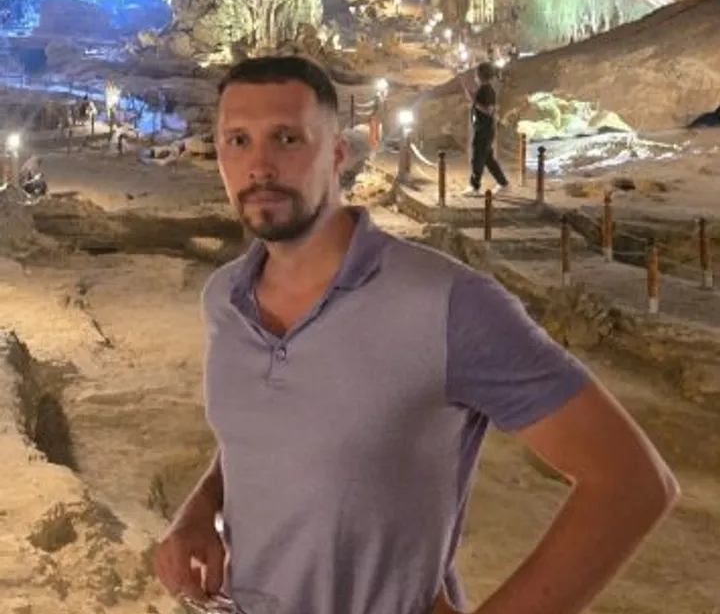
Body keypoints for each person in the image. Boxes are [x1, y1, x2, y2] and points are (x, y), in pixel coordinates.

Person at [154, 56, 679, 614]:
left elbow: (632, 482)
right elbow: (270, 427)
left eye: (287, 139)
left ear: (337, 155)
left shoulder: (446, 304)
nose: (259, 166)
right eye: (238, 140)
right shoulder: (225, 299)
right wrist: (199, 510)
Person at [462, 62, 508, 197]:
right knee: (487, 158)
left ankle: (475, 186)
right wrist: (472, 98)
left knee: (477, 158)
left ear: (481, 75)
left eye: (476, 74)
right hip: (484, 128)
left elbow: (489, 110)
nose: (475, 76)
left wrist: (474, 102)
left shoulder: (486, 90)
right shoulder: (484, 89)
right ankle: (503, 183)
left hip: (484, 130)